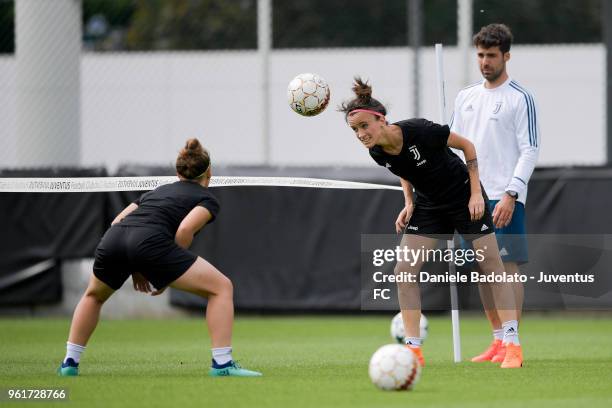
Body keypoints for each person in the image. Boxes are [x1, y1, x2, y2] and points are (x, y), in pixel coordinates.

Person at [340, 78, 523, 368]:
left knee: (491, 267)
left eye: (365, 126)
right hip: (429, 206)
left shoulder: (420, 130)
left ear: (382, 120)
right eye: (355, 130)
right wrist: (409, 202)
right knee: (404, 269)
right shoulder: (376, 151)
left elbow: (467, 146)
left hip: (464, 196)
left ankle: (512, 343)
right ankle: (414, 351)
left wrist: (476, 192)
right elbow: (403, 169)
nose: (361, 134)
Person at [57, 138, 262, 377]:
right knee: (221, 288)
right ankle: (222, 364)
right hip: (148, 244)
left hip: (113, 240)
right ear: (210, 174)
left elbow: (117, 221)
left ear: (178, 172)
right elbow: (185, 230)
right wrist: (163, 273)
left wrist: (139, 267)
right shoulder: (207, 199)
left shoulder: (155, 192)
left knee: (94, 295)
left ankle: (69, 363)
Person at [450, 23, 539, 364]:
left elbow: (530, 149)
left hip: (504, 194)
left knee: (506, 267)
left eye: (491, 55)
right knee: (482, 268)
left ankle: (514, 343)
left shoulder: (520, 98)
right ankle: (498, 340)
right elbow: (452, 144)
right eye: (480, 55)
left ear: (506, 56)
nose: (485, 62)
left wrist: (511, 194)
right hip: (469, 195)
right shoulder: (466, 97)